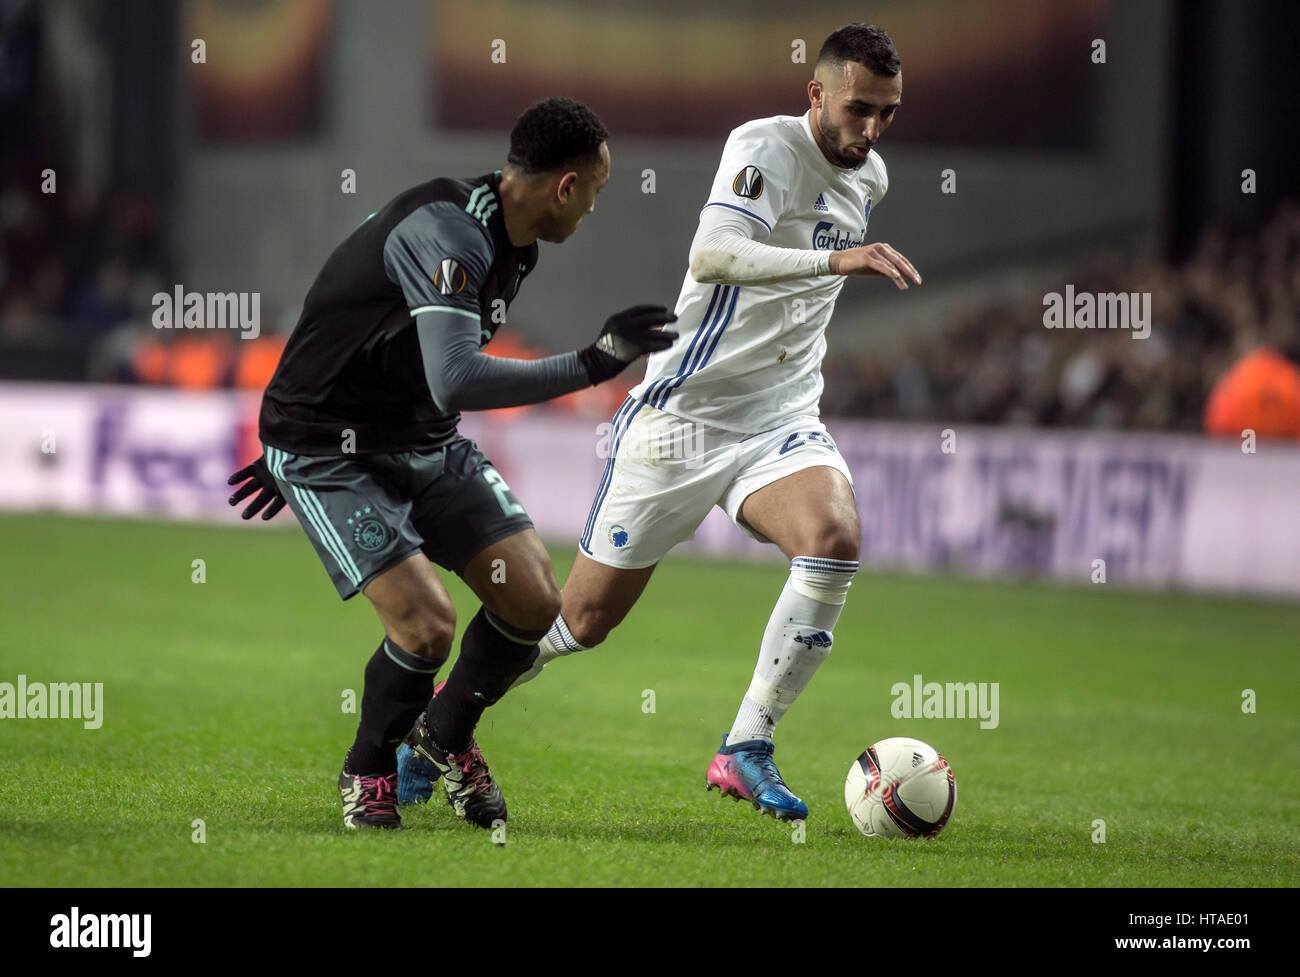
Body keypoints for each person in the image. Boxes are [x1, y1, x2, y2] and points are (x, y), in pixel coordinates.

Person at [400, 24, 921, 822]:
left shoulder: (870, 175)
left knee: (834, 539)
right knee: (577, 620)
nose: (872, 130)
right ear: (815, 93)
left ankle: (746, 745)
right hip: (681, 418)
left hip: (778, 417)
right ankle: (437, 723)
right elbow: (715, 253)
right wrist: (833, 259)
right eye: (858, 109)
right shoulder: (766, 147)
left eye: (886, 112)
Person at [227, 97, 677, 831]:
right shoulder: (448, 233)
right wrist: (596, 362)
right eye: (595, 190)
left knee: (533, 602)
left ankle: (442, 735)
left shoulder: (516, 240)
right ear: (566, 186)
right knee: (426, 627)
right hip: (328, 449)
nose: (594, 208)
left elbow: (367, 328)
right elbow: (458, 377)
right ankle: (368, 766)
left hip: (424, 441)